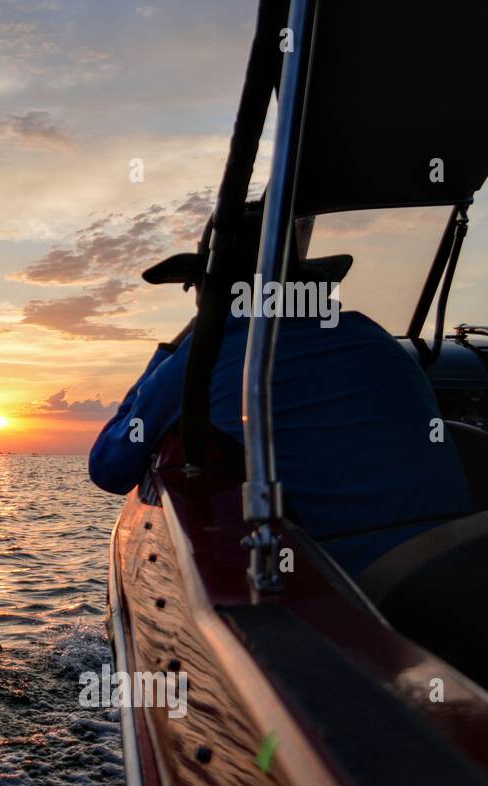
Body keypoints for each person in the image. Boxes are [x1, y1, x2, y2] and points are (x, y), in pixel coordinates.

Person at [88, 215, 475, 577]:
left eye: (195, 287)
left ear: (210, 288)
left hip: (365, 600)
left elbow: (110, 466)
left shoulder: (207, 356)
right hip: (460, 567)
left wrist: (187, 338)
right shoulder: (374, 338)